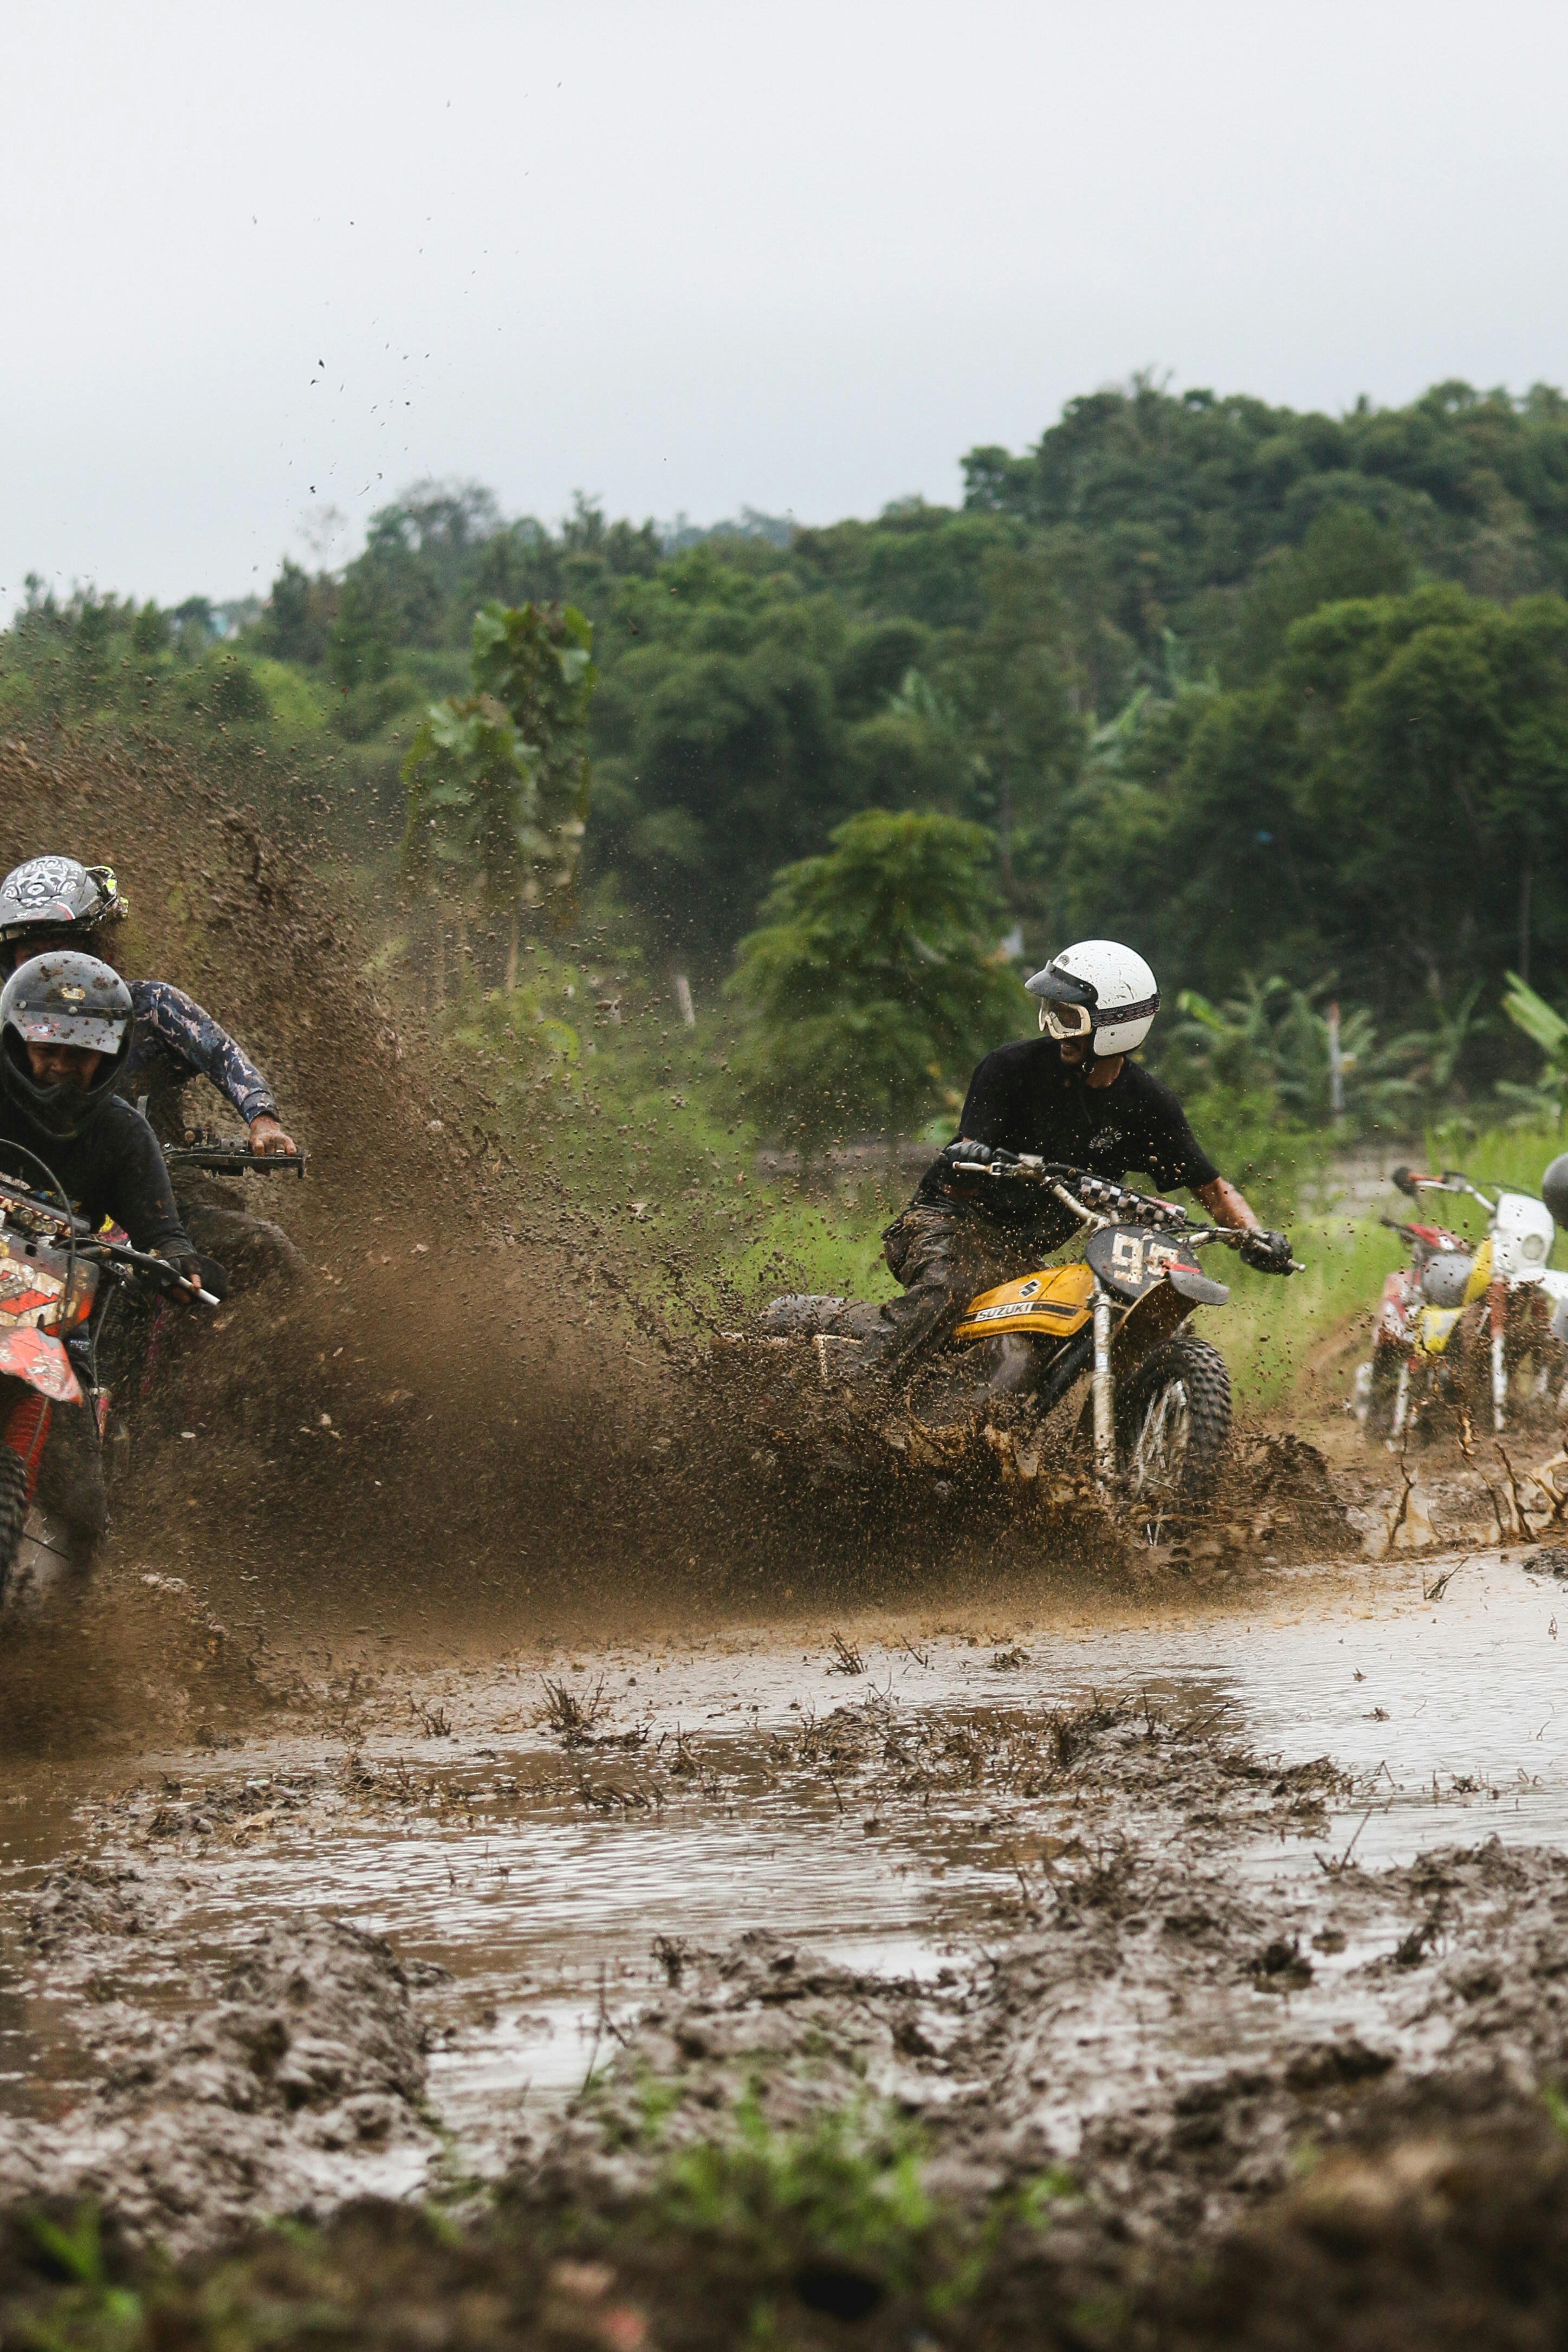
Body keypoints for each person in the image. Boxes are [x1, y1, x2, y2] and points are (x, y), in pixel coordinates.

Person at [830, 939, 1290, 1385]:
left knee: (1051, 1338)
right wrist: (967, 1157)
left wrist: (1253, 1236)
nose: (1054, 1026)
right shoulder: (1010, 1068)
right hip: (945, 1225)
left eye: (1069, 1016)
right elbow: (963, 1168)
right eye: (1052, 1011)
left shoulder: (1149, 1106)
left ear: (1115, 1026)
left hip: (1020, 1259)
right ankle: (850, 1396)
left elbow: (1211, 1188)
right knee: (949, 1287)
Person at [0, 857, 302, 1288]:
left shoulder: (152, 1006)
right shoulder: (9, 1024)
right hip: (25, 1183)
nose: (50, 972)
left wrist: (262, 1119)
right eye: (34, 956)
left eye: (64, 953)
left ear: (100, 951)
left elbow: (221, 1055)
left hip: (150, 1182)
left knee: (258, 1246)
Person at [0, 952, 209, 1569]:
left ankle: (63, 1639)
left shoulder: (122, 1135)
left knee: (86, 1521)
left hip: (49, 1327)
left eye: (80, 1054)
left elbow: (163, 1229)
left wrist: (181, 1264)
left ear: (110, 1056)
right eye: (47, 1050)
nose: (60, 1067)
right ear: (17, 1041)